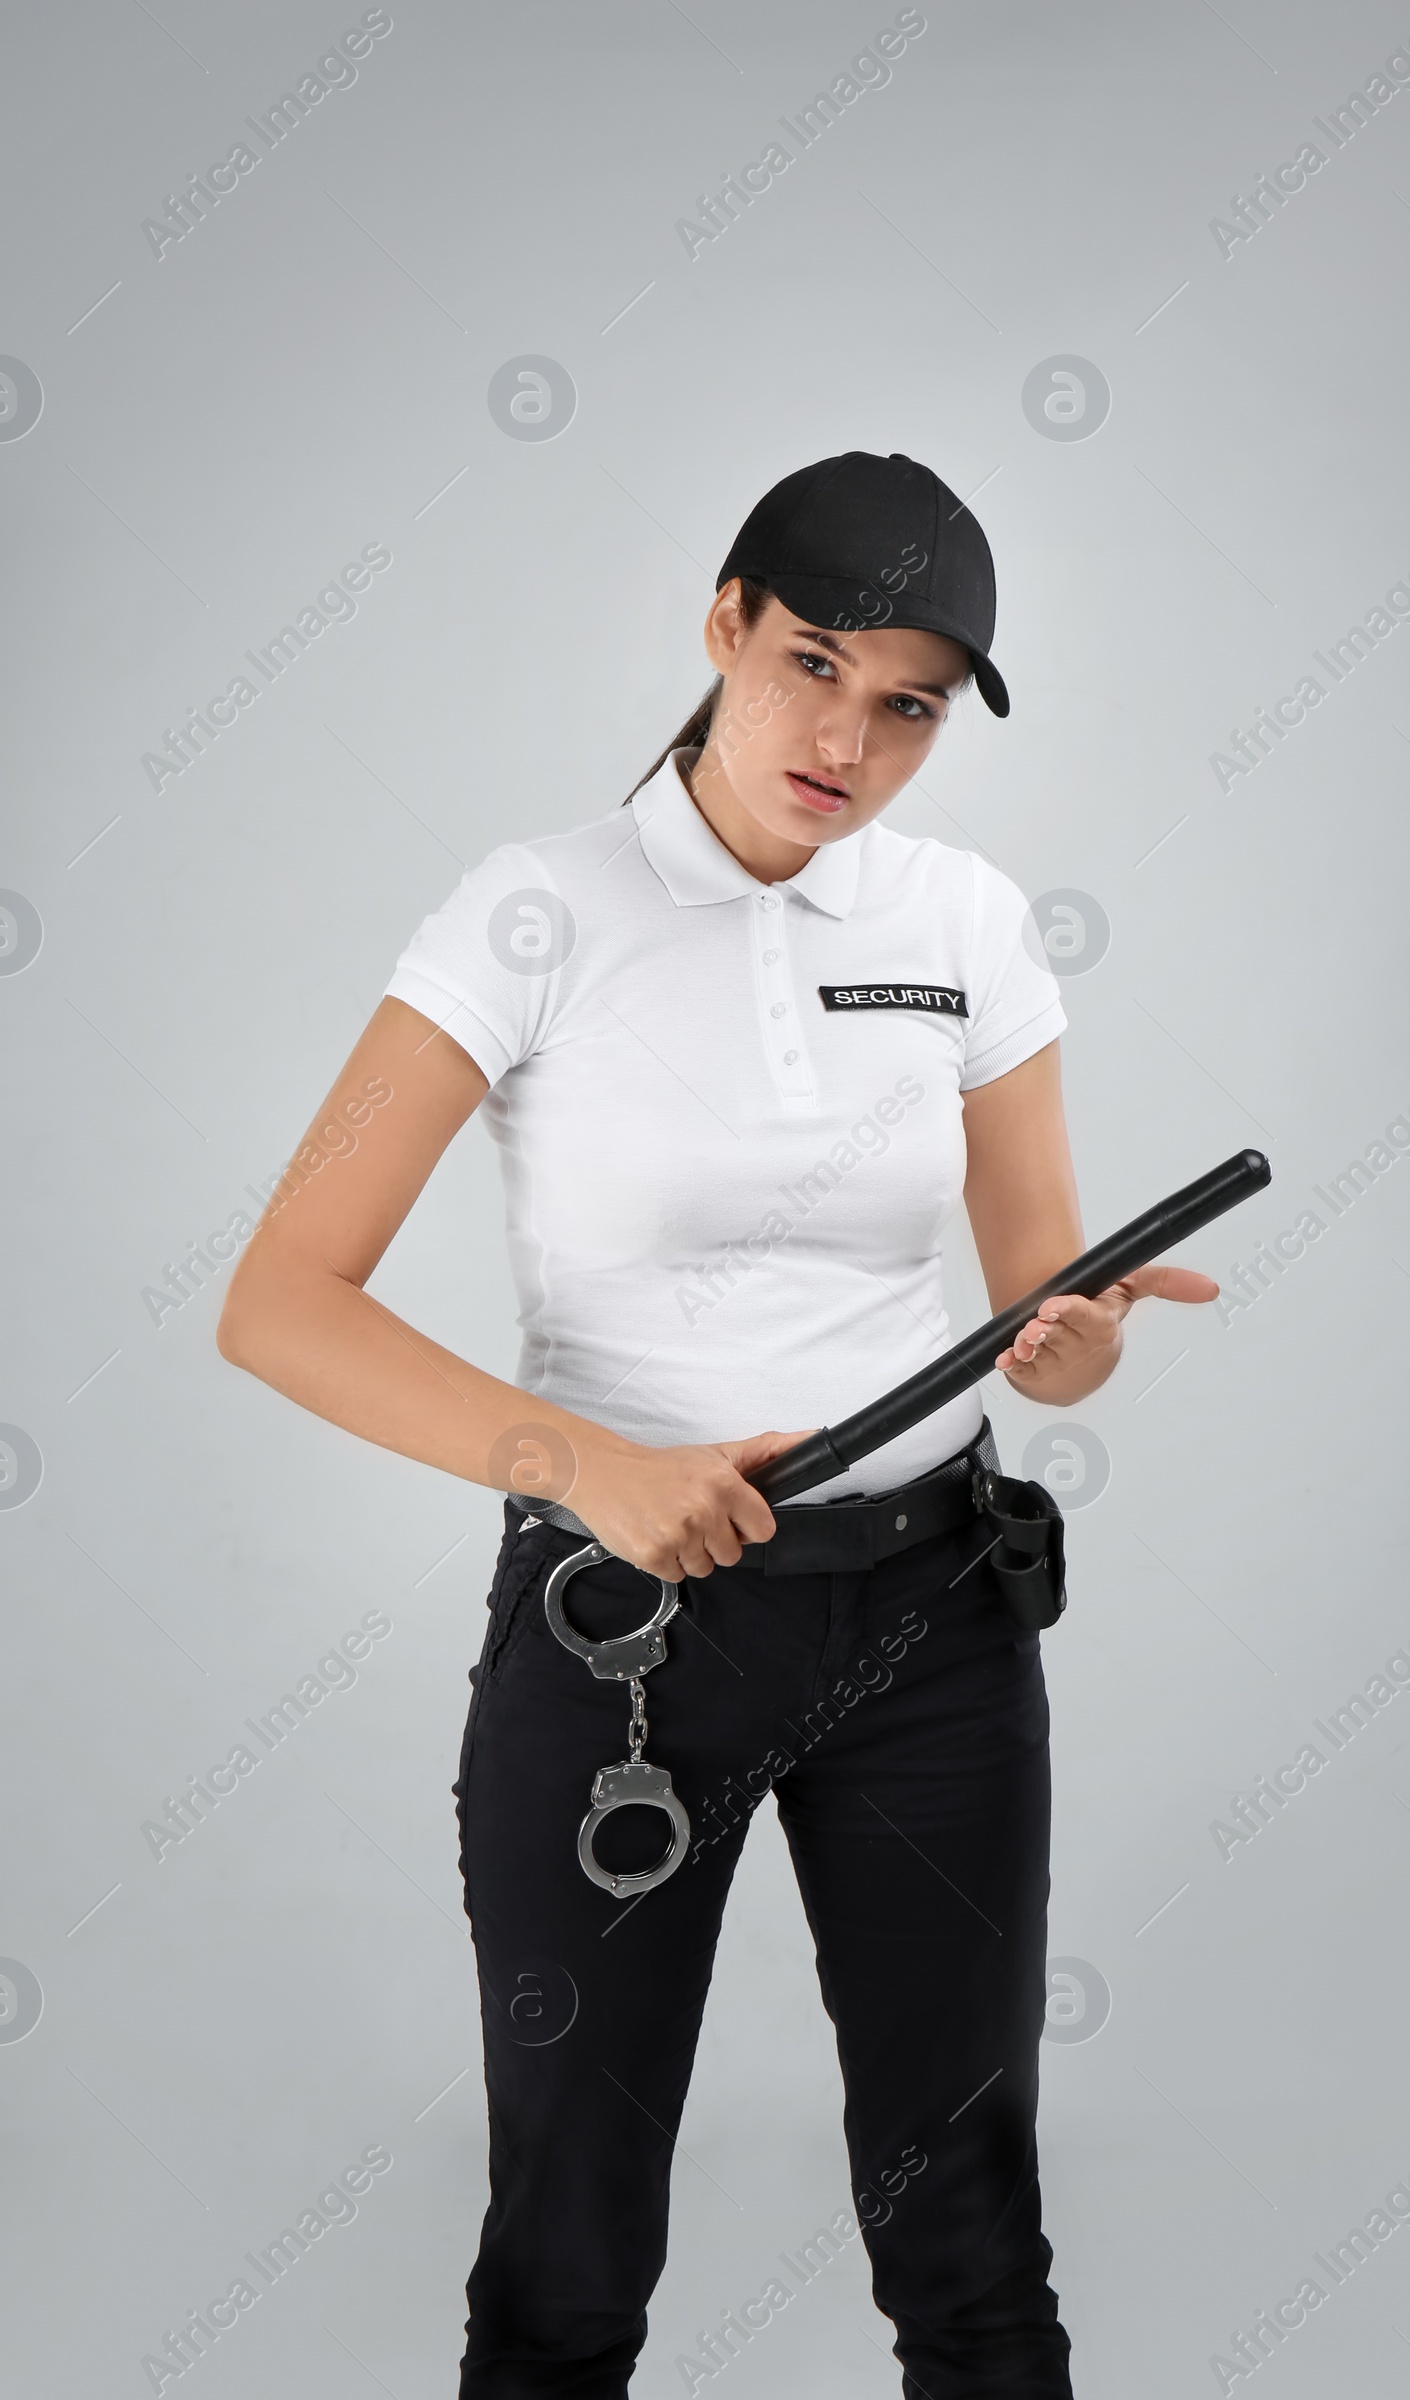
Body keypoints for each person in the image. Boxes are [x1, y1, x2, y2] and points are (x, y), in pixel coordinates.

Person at [216, 448, 1217, 2398]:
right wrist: (581, 1464)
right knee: (567, 2253)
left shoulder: (970, 918)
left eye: (907, 703)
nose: (845, 735)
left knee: (971, 2240)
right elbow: (276, 1301)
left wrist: (1077, 1350)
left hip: (935, 1623)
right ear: (721, 627)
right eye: (811, 664)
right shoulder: (525, 916)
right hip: (624, 1645)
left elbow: (1039, 1294)